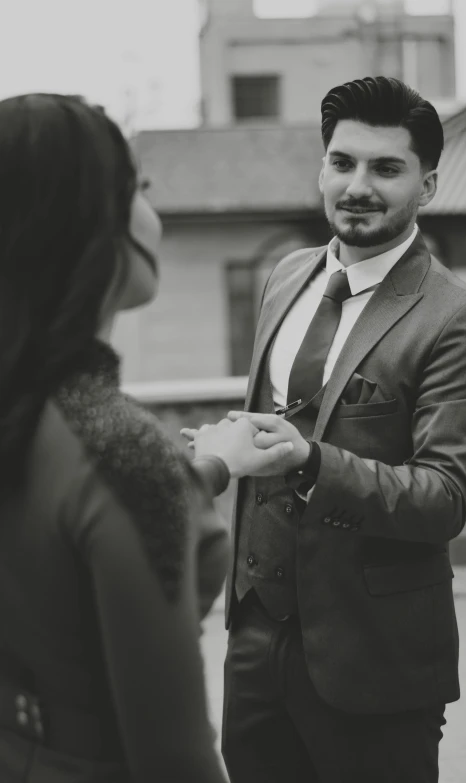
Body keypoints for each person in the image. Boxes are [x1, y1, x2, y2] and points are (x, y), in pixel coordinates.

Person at [184, 77, 466, 783]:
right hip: (253, 636)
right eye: (342, 162)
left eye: (385, 168)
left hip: (375, 658)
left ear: (427, 186)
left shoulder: (465, 320)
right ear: (322, 167)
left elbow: (443, 498)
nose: (357, 185)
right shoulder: (286, 275)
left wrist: (310, 461)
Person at [0, 92, 292, 783]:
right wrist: (172, 479)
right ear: (94, 222)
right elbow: (175, 760)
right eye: (143, 190)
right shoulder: (123, 454)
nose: (152, 215)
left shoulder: (31, 415)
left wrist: (208, 467)